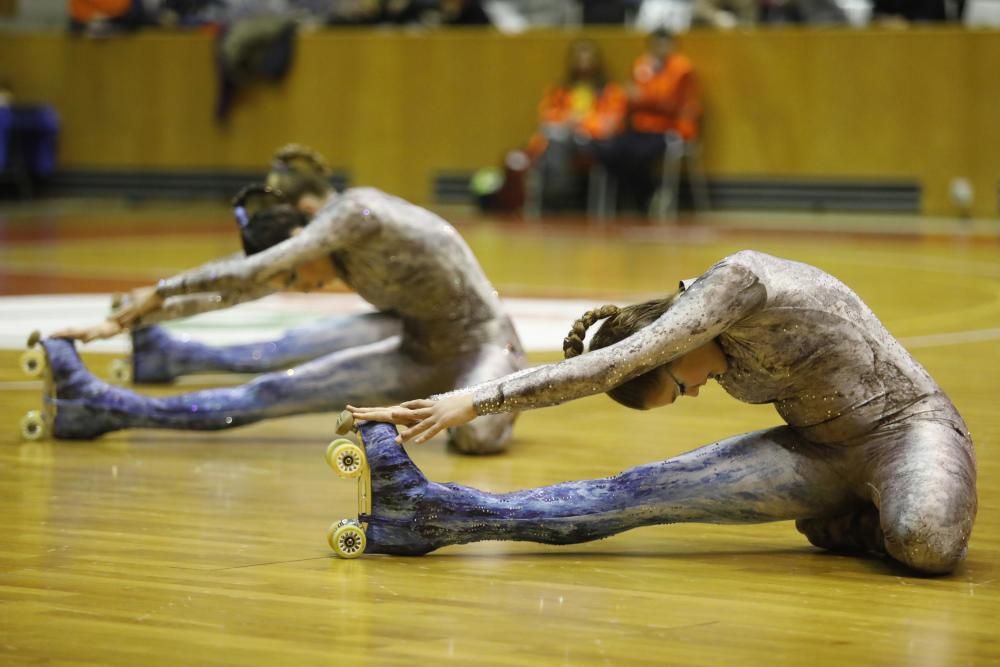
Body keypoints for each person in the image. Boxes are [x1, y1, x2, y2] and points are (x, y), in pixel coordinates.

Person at [348, 250, 977, 574]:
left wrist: (469, 402)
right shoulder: (709, 337)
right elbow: (621, 371)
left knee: (926, 544)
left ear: (673, 347)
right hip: (818, 452)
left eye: (678, 385)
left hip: (909, 429)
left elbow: (608, 367)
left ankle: (851, 522)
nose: (696, 392)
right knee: (627, 496)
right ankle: (429, 516)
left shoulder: (739, 284)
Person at [41, 146, 526, 454]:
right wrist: (124, 322)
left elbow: (251, 271)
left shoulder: (358, 211)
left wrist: (158, 290)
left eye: (294, 276)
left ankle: (485, 394)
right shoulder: (323, 252)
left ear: (306, 224)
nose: (296, 286)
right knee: (267, 392)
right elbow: (236, 289)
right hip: (419, 351)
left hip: (486, 344)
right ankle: (101, 408)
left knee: (476, 437)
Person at [594, 28, 700, 214]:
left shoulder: (682, 69)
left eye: (664, 44)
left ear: (673, 45)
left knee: (639, 154)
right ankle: (645, 196)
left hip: (669, 128)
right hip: (640, 126)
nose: (660, 48)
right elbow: (629, 97)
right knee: (609, 150)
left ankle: (646, 198)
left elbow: (672, 103)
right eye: (655, 44)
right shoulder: (642, 65)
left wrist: (643, 97)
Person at [525, 39, 626, 213]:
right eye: (579, 56)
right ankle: (559, 191)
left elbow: (611, 123)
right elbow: (547, 116)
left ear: (596, 60)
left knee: (556, 142)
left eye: (588, 56)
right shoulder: (561, 89)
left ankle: (557, 194)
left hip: (594, 142)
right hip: (564, 137)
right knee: (554, 139)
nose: (583, 61)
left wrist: (582, 121)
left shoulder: (609, 90)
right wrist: (568, 120)